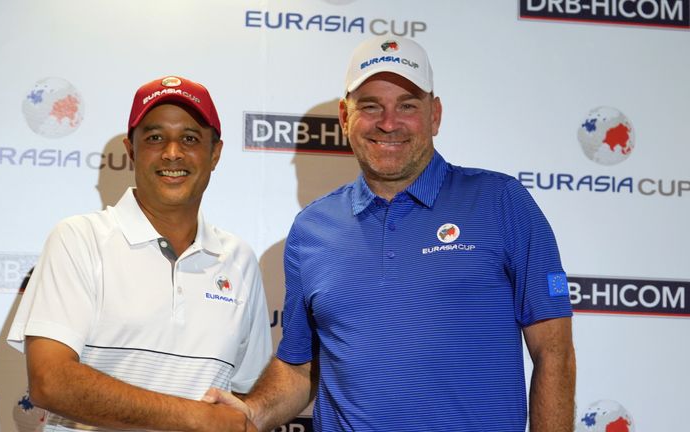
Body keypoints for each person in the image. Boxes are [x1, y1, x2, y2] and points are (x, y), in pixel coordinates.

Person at [205, 36, 576, 431]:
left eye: (407, 106)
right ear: (345, 118)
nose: (388, 122)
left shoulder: (501, 202)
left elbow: (553, 353)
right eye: (370, 106)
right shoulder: (310, 230)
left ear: (435, 115)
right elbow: (300, 368)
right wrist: (251, 413)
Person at [7, 75, 272, 432]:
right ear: (131, 150)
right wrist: (196, 418)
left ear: (215, 154)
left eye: (190, 138)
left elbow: (246, 395)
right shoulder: (78, 239)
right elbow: (50, 381)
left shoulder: (239, 258)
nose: (172, 153)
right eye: (155, 137)